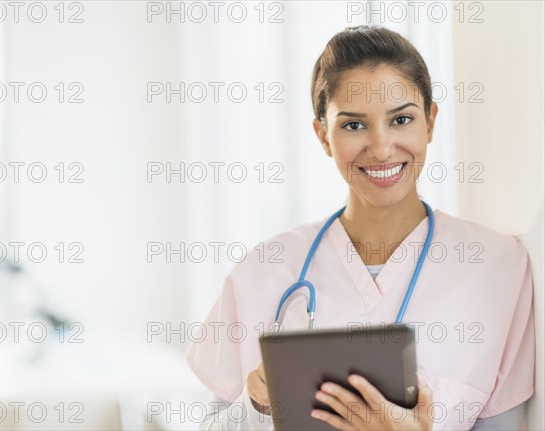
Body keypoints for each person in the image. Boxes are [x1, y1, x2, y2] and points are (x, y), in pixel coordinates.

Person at [185, 25, 535, 431]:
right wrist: (257, 406)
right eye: (353, 125)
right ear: (323, 136)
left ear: (431, 122)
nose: (382, 147)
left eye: (401, 119)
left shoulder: (497, 268)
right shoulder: (264, 270)